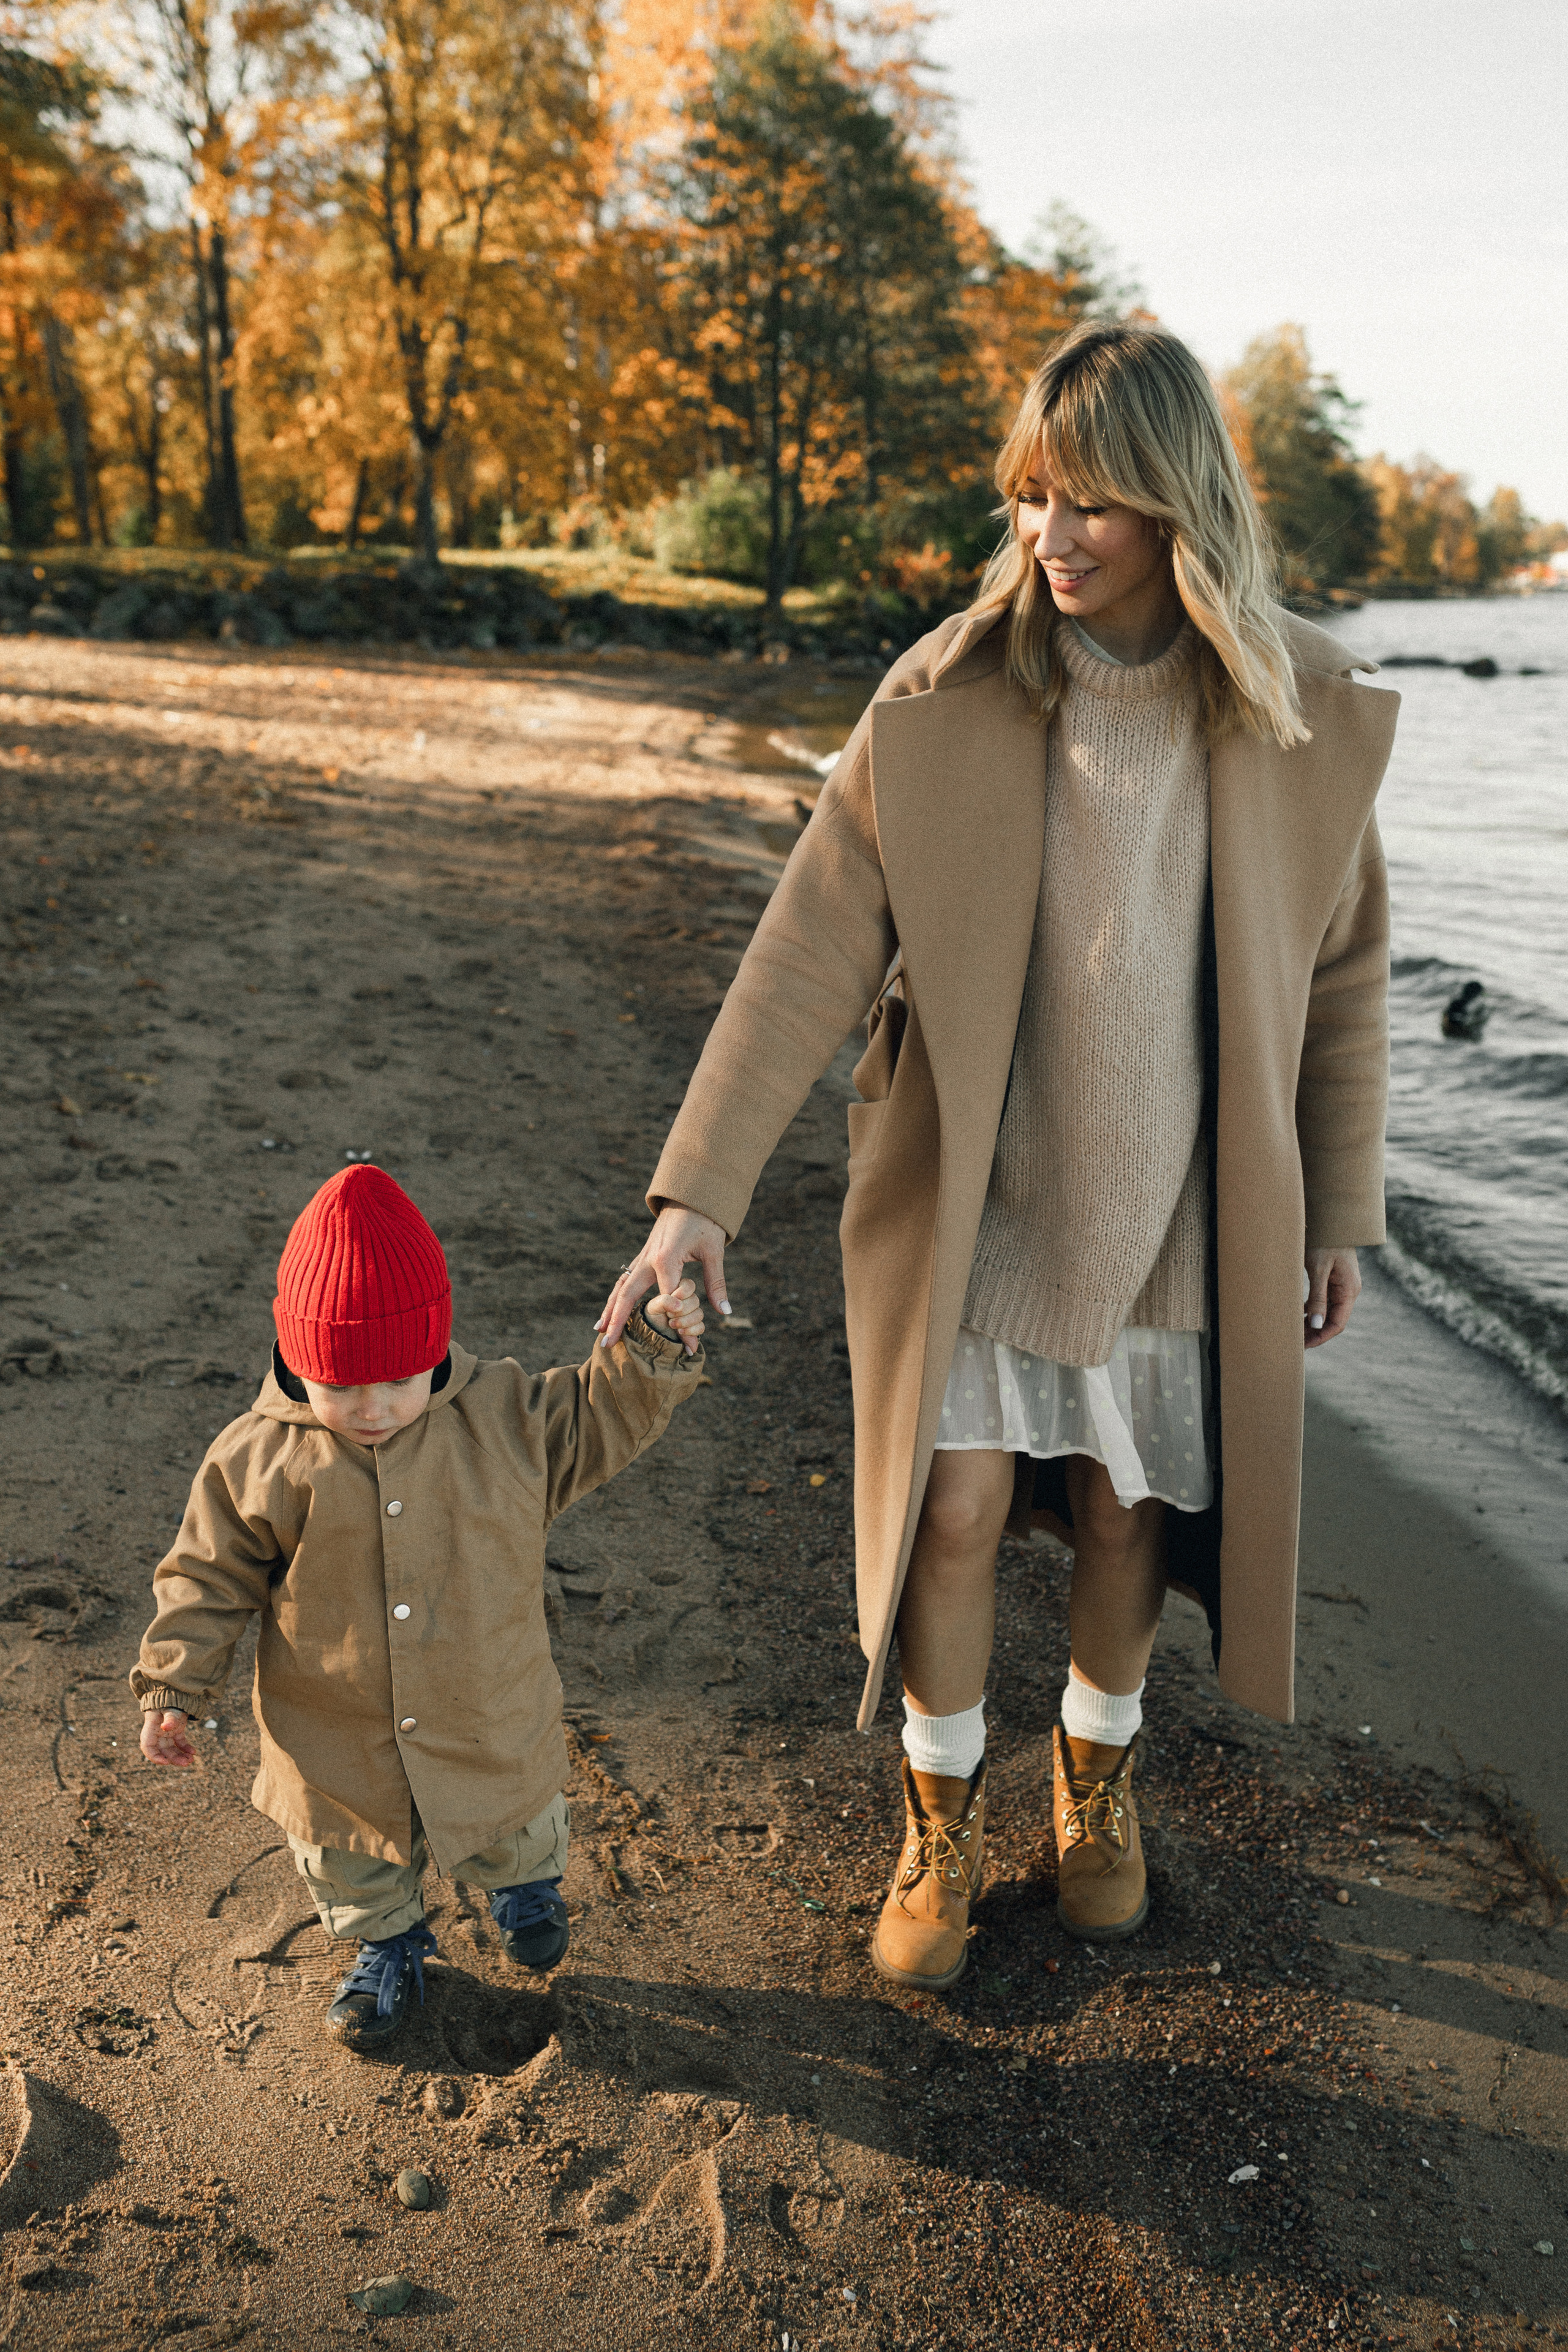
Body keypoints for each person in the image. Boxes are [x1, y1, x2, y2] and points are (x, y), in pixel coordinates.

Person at [598, 320, 1398, 1991]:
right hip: (985, 1196)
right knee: (949, 1520)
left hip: (1185, 1202)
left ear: (1184, 504)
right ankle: (939, 1822)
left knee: (1124, 1513)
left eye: (1096, 500)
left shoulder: (1292, 711)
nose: (1056, 536)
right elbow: (810, 946)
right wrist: (696, 1192)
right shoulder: (951, 691)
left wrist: (1337, 1206)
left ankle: (1094, 1795)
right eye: (1036, 496)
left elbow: (1342, 974)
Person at [134, 1163, 704, 2048]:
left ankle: (523, 1890)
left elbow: (595, 1416)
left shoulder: (504, 1418)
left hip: (485, 1702)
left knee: (511, 1817)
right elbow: (207, 1577)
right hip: (334, 1731)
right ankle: (387, 1950)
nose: (371, 1409)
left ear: (436, 1351)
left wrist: (654, 1351)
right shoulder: (255, 1458)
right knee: (353, 1860)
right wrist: (175, 1686)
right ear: (296, 1362)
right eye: (342, 1388)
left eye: (398, 1382)